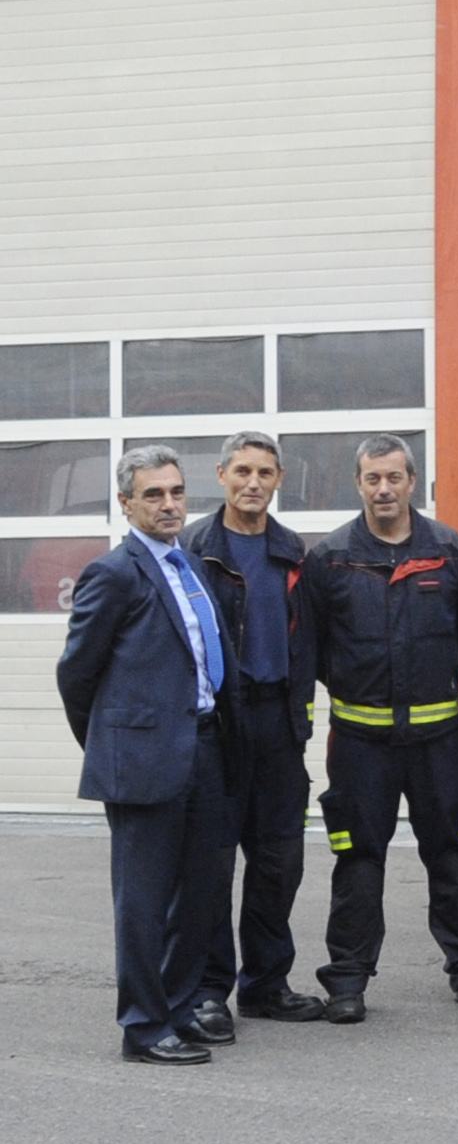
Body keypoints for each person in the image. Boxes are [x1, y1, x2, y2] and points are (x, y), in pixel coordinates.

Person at [295, 434, 458, 1022]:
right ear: (358, 485)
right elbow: (309, 649)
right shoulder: (329, 559)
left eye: (393, 477)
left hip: (438, 742)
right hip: (360, 746)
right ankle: (348, 981)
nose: (383, 489)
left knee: (452, 858)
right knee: (358, 863)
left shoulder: (450, 551)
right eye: (371, 479)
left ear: (413, 482)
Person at [58, 446, 236, 1063]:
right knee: (142, 903)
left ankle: (179, 1008)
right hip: (144, 763)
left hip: (205, 751)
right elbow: (76, 675)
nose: (168, 504)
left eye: (176, 492)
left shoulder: (191, 568)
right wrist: (114, 745)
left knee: (200, 896)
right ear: (126, 503)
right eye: (153, 494)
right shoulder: (114, 573)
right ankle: (142, 1027)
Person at [180, 431, 324, 1027]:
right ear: (221, 475)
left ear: (280, 479)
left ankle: (266, 983)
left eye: (265, 472)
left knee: (277, 863)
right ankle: (208, 989)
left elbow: (313, 639)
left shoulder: (293, 552)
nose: (253, 482)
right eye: (242, 470)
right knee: (212, 865)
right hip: (218, 727)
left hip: (279, 725)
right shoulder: (193, 550)